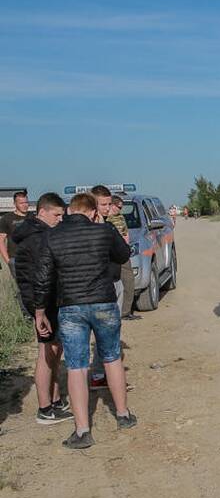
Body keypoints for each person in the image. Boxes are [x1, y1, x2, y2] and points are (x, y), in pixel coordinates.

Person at [33, 192, 136, 449]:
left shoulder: (52, 236)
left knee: (77, 366)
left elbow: (43, 277)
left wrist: (40, 311)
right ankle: (123, 415)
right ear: (93, 212)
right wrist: (103, 226)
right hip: (103, 302)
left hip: (71, 307)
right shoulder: (104, 231)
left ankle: (82, 431)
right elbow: (123, 255)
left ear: (69, 211)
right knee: (112, 357)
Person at [11, 192, 71, 425]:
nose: (59, 219)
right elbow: (41, 278)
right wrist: (40, 310)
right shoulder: (38, 238)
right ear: (42, 212)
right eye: (56, 215)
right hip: (41, 302)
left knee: (54, 350)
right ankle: (45, 408)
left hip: (44, 301)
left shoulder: (36, 233)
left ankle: (55, 400)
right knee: (46, 352)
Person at [89, 186, 126, 389]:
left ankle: (102, 374)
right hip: (102, 287)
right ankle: (100, 375)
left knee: (110, 332)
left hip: (114, 279)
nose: (108, 208)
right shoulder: (95, 229)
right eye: (103, 204)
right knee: (105, 333)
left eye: (109, 203)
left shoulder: (109, 225)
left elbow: (124, 252)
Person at [109, 195, 137, 320]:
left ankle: (126, 312)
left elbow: (126, 234)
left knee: (129, 281)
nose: (120, 210)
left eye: (121, 208)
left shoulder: (121, 218)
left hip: (122, 253)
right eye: (118, 207)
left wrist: (126, 248)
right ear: (112, 205)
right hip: (109, 255)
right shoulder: (102, 219)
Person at [0, 189, 30, 275]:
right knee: (19, 286)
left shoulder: (33, 217)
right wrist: (8, 261)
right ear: (15, 204)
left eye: (26, 202)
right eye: (21, 203)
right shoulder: (7, 218)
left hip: (32, 258)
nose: (25, 205)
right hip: (15, 259)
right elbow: (1, 241)